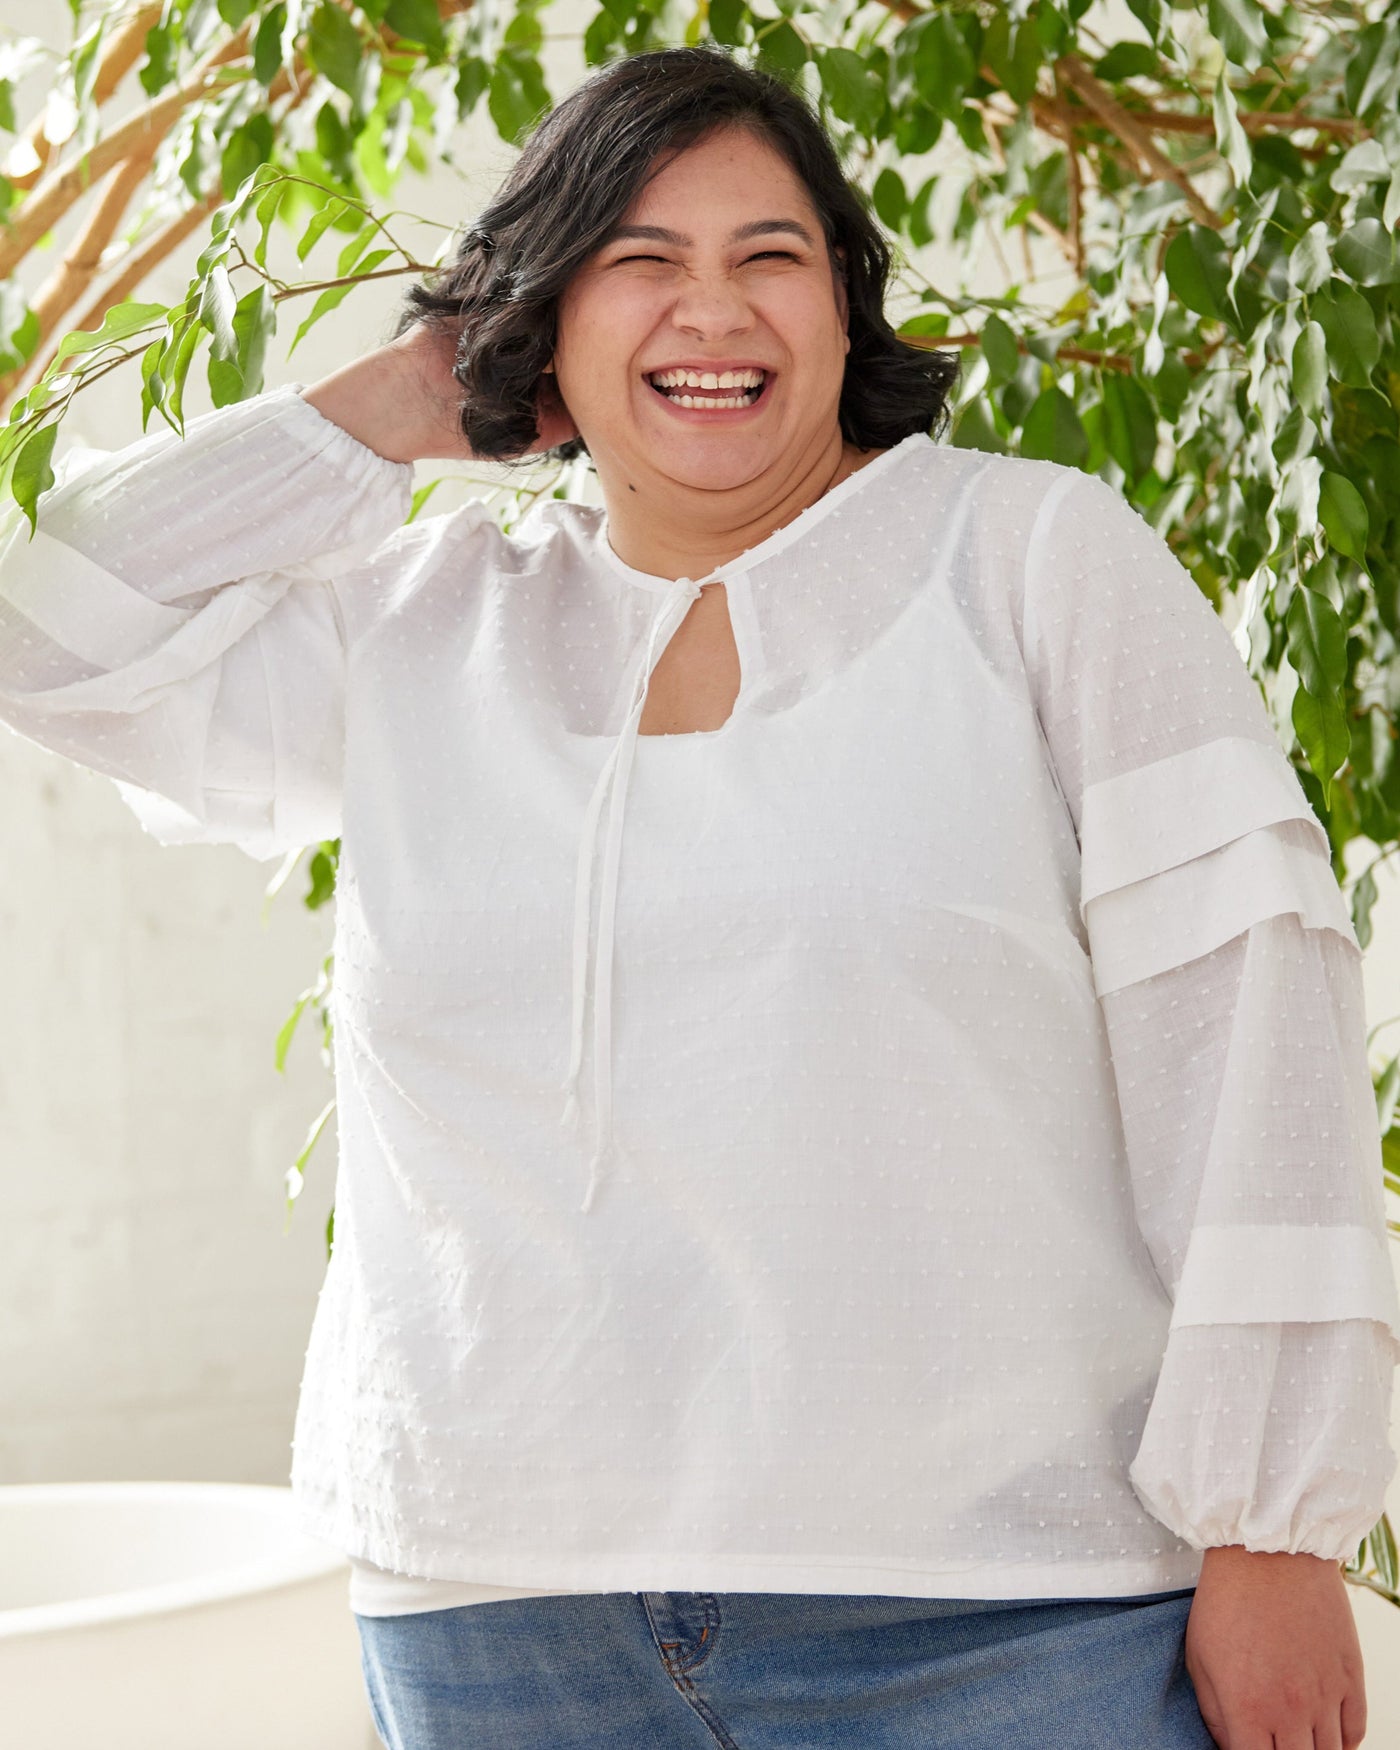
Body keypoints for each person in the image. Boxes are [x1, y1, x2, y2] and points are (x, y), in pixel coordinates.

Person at [0, 41, 1396, 1750]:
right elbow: (49, 634)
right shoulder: (428, 616)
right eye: (637, 264)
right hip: (495, 1611)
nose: (710, 313)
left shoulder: (1034, 561)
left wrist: (1273, 1527)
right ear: (544, 321)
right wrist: (401, 401)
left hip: (1004, 1612)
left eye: (769, 258)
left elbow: (1251, 1026)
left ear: (844, 303)